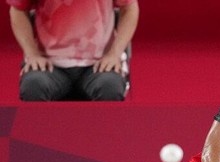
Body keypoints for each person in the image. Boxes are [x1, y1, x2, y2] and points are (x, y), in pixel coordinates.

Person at [7, 0, 139, 101]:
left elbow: (129, 8)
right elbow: (18, 10)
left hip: (99, 65)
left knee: (110, 87)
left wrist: (114, 53)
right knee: (33, 85)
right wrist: (32, 53)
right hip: (49, 65)